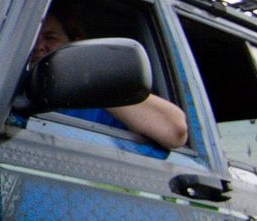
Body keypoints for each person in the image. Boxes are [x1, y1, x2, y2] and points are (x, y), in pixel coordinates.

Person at [30, 12, 189, 151]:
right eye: (31, 37)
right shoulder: (15, 89)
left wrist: (89, 77)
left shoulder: (100, 104)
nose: (38, 46)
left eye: (50, 37)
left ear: (74, 44)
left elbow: (174, 130)